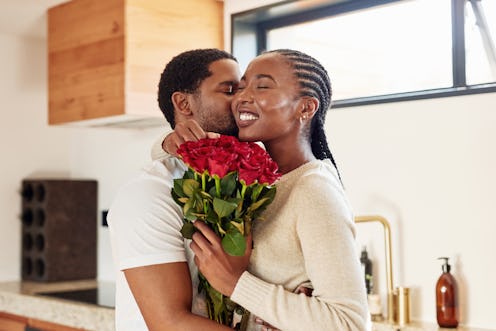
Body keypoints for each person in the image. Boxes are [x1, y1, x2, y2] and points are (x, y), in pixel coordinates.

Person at [158, 49, 370, 331]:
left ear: (305, 108)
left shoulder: (313, 190)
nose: (242, 97)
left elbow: (350, 324)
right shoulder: (259, 177)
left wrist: (235, 283)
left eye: (262, 86)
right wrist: (168, 141)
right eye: (242, 86)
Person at [107, 48, 242, 331]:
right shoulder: (146, 193)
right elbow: (170, 324)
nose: (243, 99)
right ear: (183, 103)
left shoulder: (240, 182)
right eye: (229, 90)